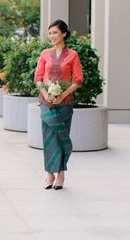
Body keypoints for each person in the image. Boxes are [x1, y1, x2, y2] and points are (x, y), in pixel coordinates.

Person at [34, 19, 83, 190]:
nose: (52, 36)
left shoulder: (73, 55)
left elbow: (77, 80)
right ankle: (49, 173)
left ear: (64, 34)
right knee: (48, 139)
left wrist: (62, 95)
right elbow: (38, 78)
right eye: (50, 33)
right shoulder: (45, 54)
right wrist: (46, 94)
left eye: (55, 32)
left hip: (65, 103)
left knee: (62, 139)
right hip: (46, 102)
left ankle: (61, 173)